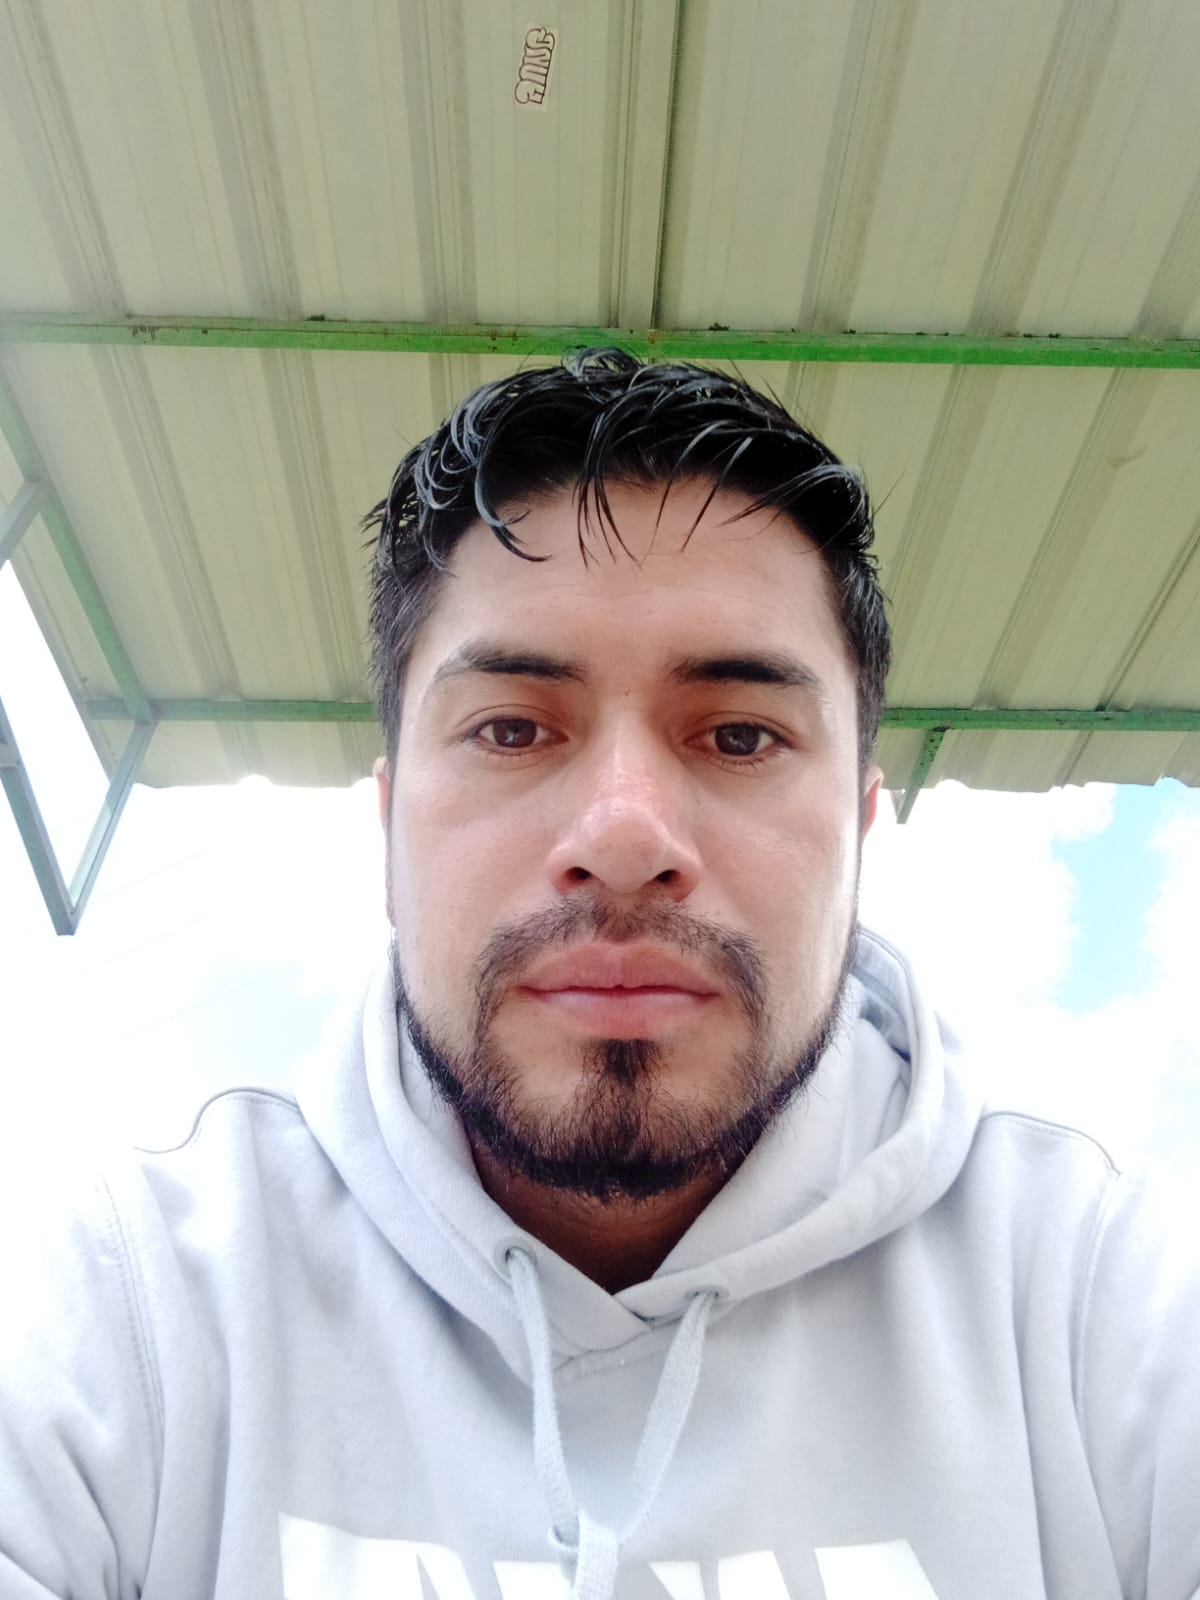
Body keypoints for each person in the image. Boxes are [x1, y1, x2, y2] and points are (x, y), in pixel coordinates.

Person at [0, 350, 1195, 1600]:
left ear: (859, 826)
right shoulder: (127, 1311)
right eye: (512, 728)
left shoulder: (1106, 1310)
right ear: (391, 827)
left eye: (741, 735)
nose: (625, 836)